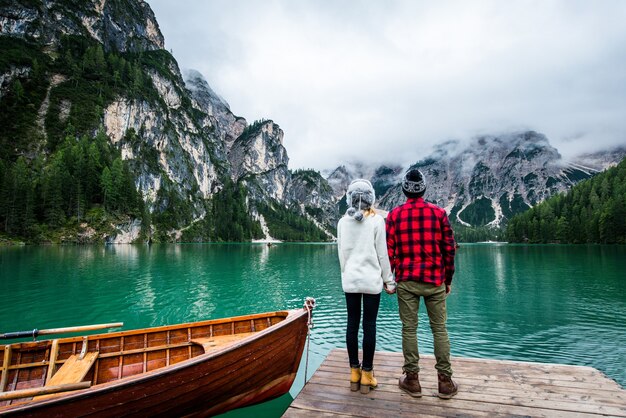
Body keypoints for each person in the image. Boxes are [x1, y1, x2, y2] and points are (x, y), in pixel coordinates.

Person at [385, 168, 458, 399]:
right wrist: (447, 280)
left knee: (409, 329)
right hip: (435, 280)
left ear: (404, 189)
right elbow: (449, 249)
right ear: (424, 188)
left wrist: (390, 279)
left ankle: (412, 381)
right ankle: (445, 382)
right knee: (439, 329)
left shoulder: (394, 216)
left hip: (406, 281)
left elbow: (389, 251)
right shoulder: (438, 213)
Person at [337, 179, 396, 394]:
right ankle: (367, 375)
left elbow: (341, 254)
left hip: (350, 280)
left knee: (352, 324)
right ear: (370, 198)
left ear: (350, 198)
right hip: (371, 282)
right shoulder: (377, 221)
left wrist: (346, 274)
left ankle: (354, 371)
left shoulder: (343, 222)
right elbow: (383, 254)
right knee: (369, 326)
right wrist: (389, 281)